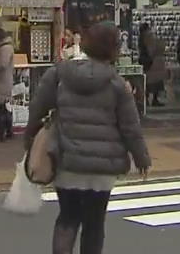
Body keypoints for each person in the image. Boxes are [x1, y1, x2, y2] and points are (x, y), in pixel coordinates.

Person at [26, 21, 151, 254]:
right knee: (94, 224)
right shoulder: (117, 84)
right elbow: (130, 127)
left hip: (66, 159)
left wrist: (30, 142)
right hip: (102, 166)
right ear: (113, 48)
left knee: (67, 218)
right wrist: (141, 158)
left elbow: (37, 109)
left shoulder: (59, 74)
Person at [138, 23, 166, 107]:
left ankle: (146, 99)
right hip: (153, 63)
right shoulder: (149, 36)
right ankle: (154, 99)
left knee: (146, 81)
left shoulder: (141, 38)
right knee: (155, 81)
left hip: (146, 61)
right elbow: (153, 49)